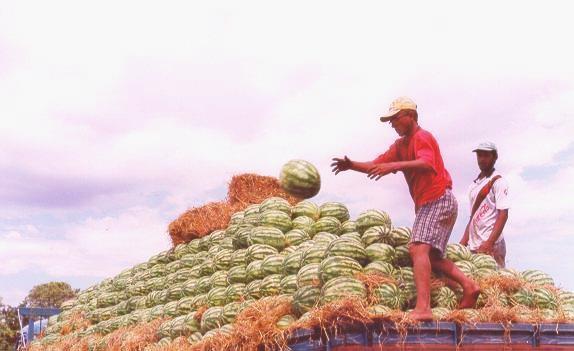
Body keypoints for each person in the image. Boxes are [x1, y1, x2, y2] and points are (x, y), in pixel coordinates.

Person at [331, 96, 480, 321]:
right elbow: (376, 164)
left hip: (437, 199)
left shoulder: (422, 137)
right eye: (390, 121)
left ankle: (423, 309)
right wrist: (352, 166)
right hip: (432, 203)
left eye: (396, 118)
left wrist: (395, 165)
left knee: (417, 249)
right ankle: (469, 286)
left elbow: (427, 163)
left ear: (410, 116)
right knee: (433, 257)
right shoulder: (400, 146)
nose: (393, 124)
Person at [460, 142, 510, 268]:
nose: (482, 159)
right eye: (479, 156)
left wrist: (490, 242)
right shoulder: (474, 185)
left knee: (494, 282)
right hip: (475, 245)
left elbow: (503, 214)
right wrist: (464, 241)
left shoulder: (498, 182)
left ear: (495, 157)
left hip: (491, 244)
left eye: (486, 156)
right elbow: (473, 217)